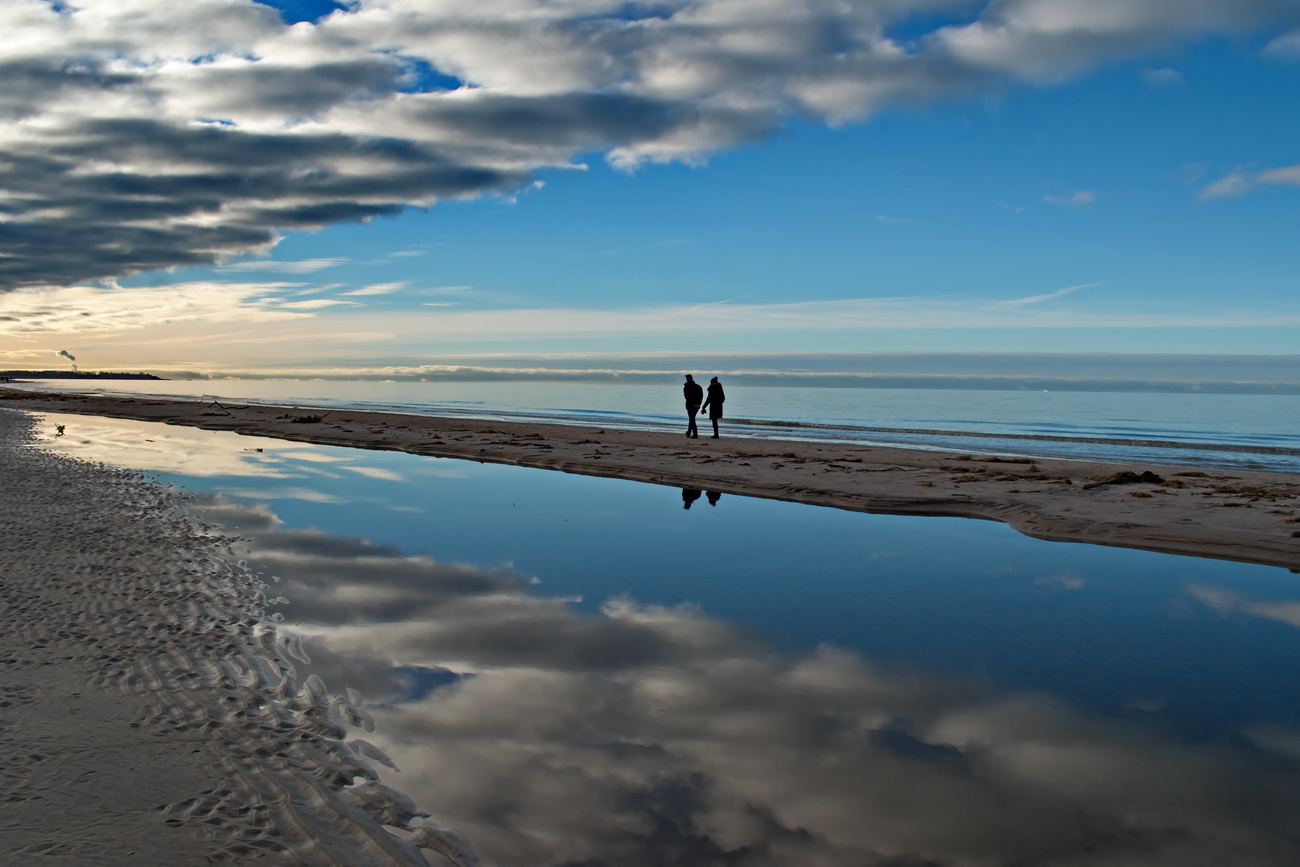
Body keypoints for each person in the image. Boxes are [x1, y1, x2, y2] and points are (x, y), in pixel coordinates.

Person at [683, 374, 703, 438]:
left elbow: (686, 397)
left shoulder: (686, 387)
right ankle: (689, 432)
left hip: (690, 405)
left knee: (692, 419)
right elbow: (701, 397)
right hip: (696, 405)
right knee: (691, 418)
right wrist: (698, 403)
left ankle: (695, 434)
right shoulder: (698, 386)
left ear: (687, 379)